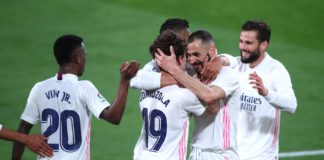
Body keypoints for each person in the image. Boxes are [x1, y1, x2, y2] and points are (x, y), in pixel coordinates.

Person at [12, 34, 140, 160]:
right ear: (78, 58)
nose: (85, 58)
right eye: (85, 54)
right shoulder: (83, 88)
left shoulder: (39, 88)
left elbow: (22, 130)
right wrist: (124, 81)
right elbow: (114, 117)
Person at [203, 20, 298, 160]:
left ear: (264, 45)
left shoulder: (275, 70)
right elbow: (227, 59)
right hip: (232, 154)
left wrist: (266, 93)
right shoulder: (237, 65)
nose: (243, 47)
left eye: (248, 43)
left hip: (262, 156)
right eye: (241, 41)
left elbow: (292, 105)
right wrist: (220, 59)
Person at [145, 30, 240, 159]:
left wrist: (173, 69)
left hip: (220, 155)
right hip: (196, 153)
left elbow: (210, 98)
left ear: (211, 51)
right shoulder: (193, 78)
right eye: (189, 55)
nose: (192, 60)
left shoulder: (227, 74)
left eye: (196, 54)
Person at [133, 30, 217, 160]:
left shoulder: (145, 88)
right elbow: (213, 107)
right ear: (180, 58)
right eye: (185, 56)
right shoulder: (184, 96)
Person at [130, 18, 194, 90]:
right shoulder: (158, 63)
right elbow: (134, 80)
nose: (191, 46)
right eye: (186, 42)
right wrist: (187, 80)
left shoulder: (194, 61)